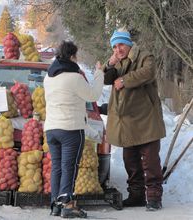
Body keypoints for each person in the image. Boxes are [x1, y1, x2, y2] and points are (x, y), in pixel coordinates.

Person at [103, 29, 166, 211]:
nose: (118, 49)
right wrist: (109, 63)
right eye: (114, 46)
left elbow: (149, 72)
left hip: (146, 120)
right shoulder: (117, 61)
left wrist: (124, 80)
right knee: (130, 161)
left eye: (120, 44)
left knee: (150, 162)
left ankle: (154, 198)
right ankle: (136, 196)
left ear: (128, 43)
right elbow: (106, 79)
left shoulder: (145, 56)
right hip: (126, 121)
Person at [44, 40, 104, 218]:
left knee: (57, 167)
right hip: (70, 129)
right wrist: (99, 73)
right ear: (71, 56)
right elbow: (92, 94)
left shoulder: (49, 77)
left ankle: (55, 204)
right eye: (76, 56)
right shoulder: (75, 78)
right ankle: (68, 205)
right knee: (69, 167)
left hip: (51, 129)